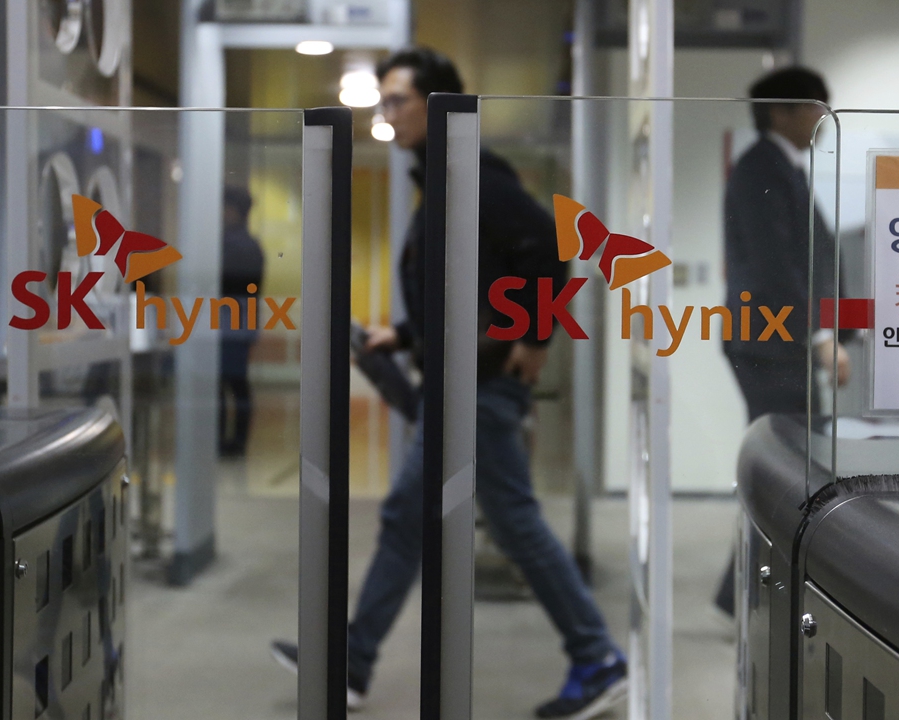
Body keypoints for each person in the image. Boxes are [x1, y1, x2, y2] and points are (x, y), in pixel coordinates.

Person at [272, 47, 627, 719]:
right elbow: (461, 289)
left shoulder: (474, 179)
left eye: (397, 100)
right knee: (410, 520)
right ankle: (351, 662)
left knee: (512, 523)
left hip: (480, 388)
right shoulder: (441, 180)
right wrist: (402, 337)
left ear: (437, 106)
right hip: (459, 382)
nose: (387, 112)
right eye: (383, 100)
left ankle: (597, 655)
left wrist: (534, 338)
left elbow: (551, 248)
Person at [714, 66, 851, 614]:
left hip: (777, 342)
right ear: (780, 112)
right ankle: (745, 594)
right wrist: (818, 336)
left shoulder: (782, 167)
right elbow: (776, 267)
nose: (825, 116)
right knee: (787, 466)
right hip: (772, 344)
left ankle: (743, 593)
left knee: (790, 465)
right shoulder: (761, 169)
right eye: (816, 105)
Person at [218, 186, 265, 457]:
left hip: (230, 324)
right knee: (235, 384)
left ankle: (231, 442)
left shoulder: (233, 245)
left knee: (230, 384)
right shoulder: (249, 245)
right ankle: (234, 441)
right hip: (238, 323)